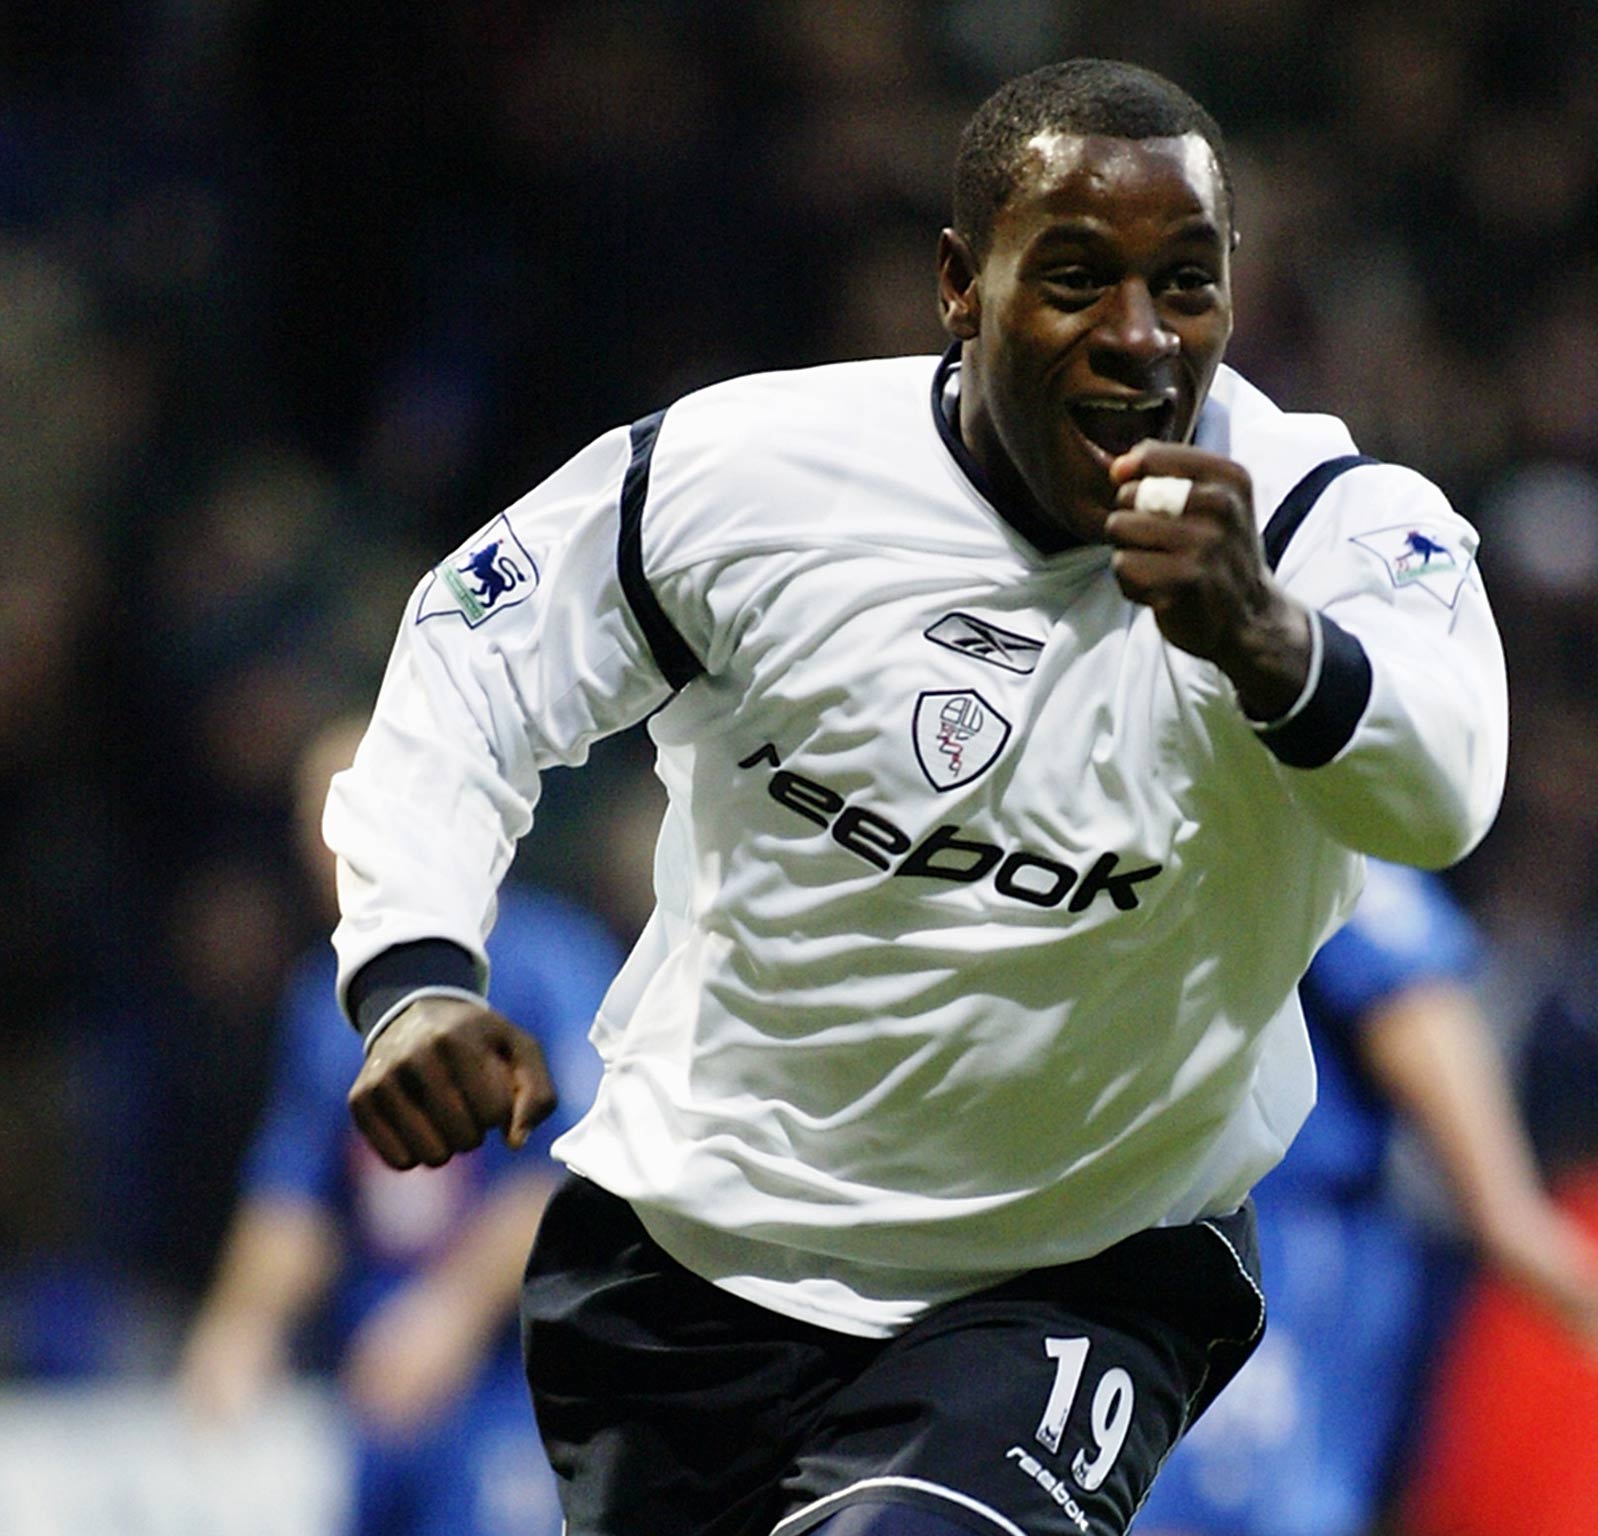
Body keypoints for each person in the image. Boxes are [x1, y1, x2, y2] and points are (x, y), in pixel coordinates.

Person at [325, 59, 1509, 1536]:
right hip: (696, 1260)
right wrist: (414, 965)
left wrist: (1271, 642)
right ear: (961, 283)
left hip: (1082, 1271)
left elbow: (1449, 787)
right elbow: (473, 655)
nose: (1141, 341)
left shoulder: (1324, 530)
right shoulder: (751, 477)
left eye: (1186, 288)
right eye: (1077, 279)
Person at [180, 715, 618, 1536]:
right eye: (314, 821)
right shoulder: (323, 999)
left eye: (351, 814)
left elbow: (578, 1174)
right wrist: (242, 1321)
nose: (331, 848)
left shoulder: (548, 960)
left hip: (518, 1388)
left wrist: (449, 1312)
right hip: (383, 1388)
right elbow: (296, 1189)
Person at [1133, 860, 1598, 1536]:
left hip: (1271, 1252)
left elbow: (1414, 999)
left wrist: (1509, 1215)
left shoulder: (1299, 796)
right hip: (1157, 1230)